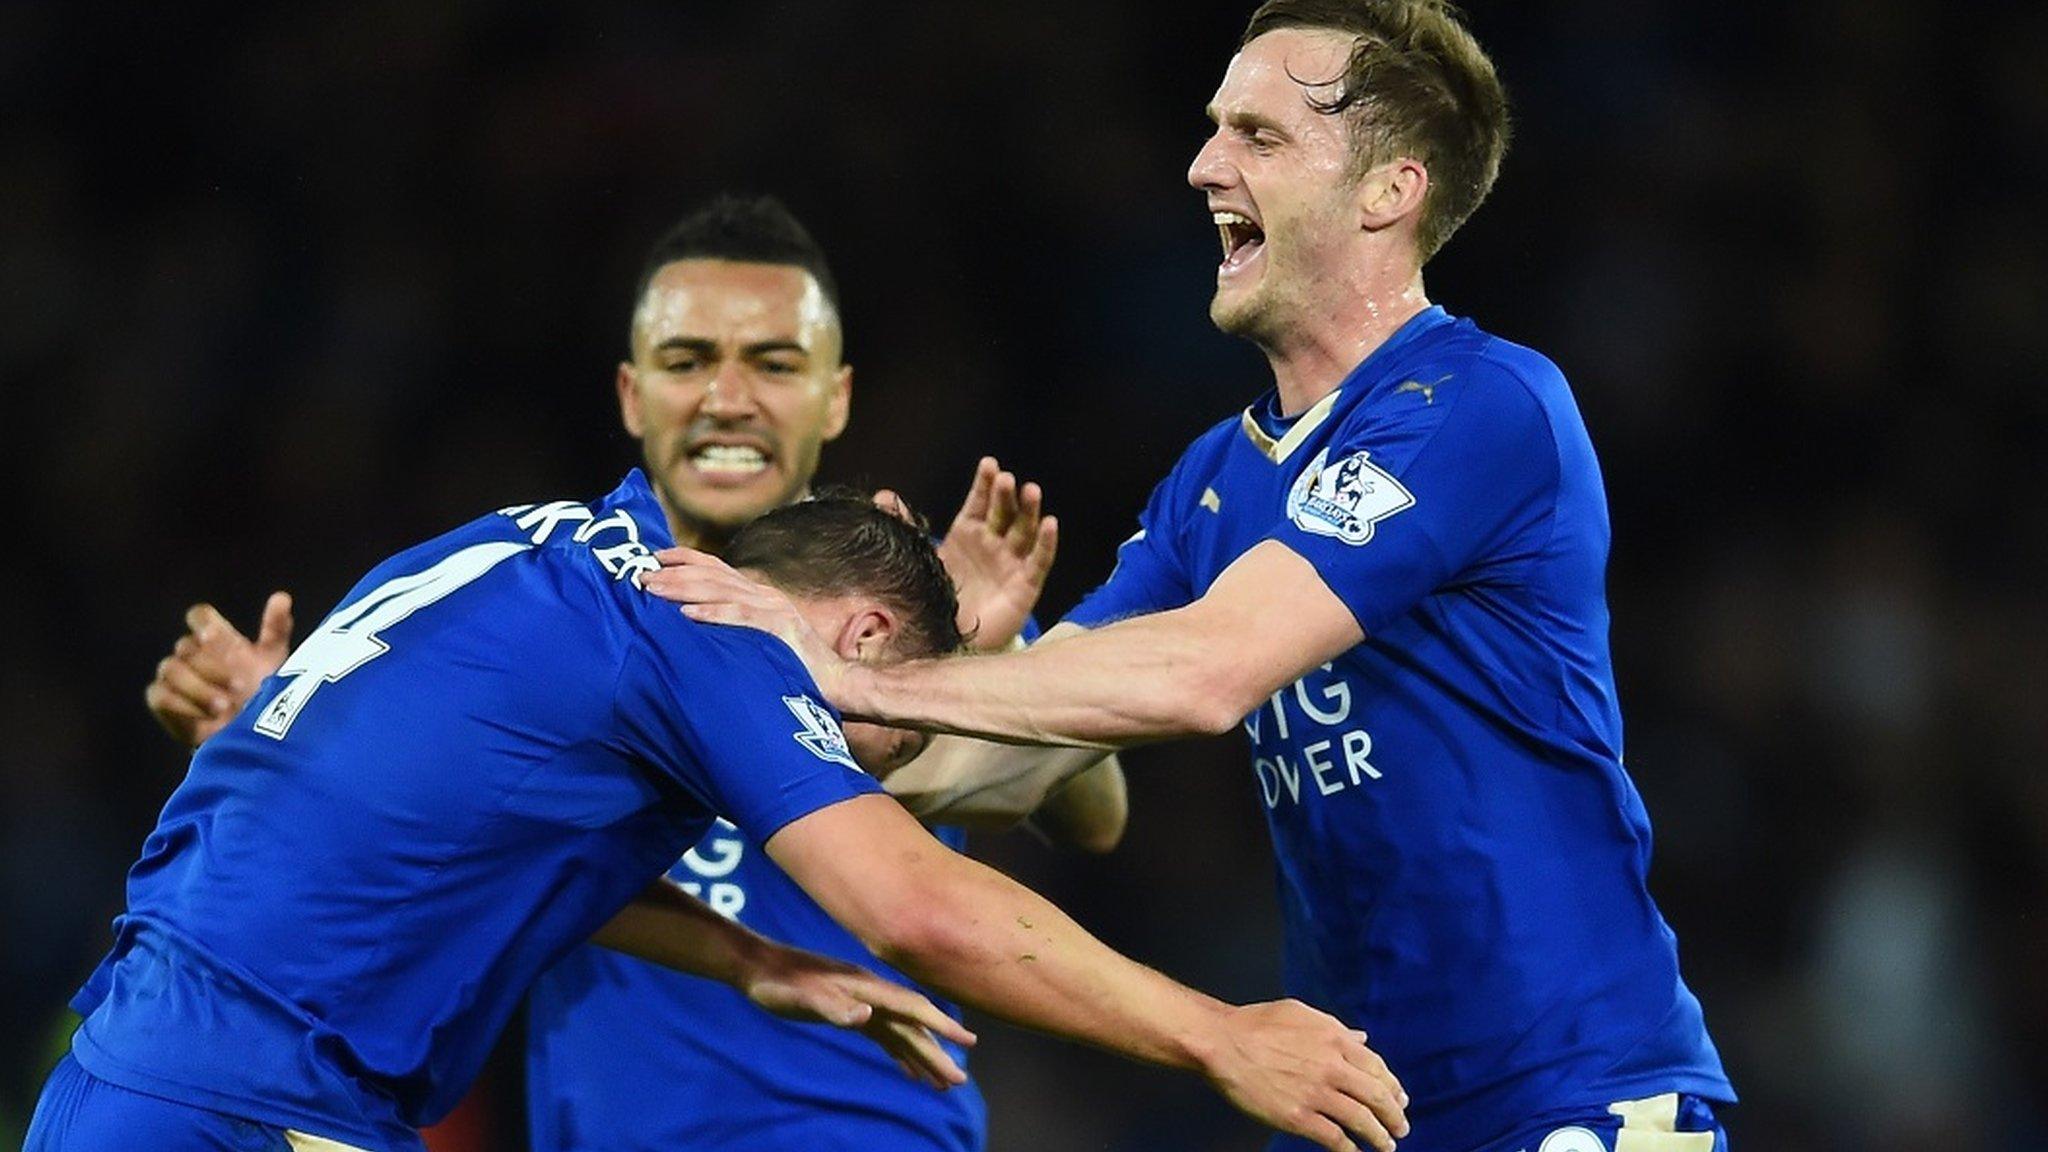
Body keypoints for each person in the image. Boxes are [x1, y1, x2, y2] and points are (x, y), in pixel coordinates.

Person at [649, 4, 1737, 1151]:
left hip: (1573, 1096)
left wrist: (859, 678)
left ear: (1387, 192)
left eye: (1258, 137)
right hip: (1354, 1108)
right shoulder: (1214, 480)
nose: (1202, 162)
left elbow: (1205, 673)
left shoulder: (1481, 405)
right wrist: (740, 745)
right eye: (1216, 129)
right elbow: (1020, 762)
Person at [138, 195, 1128, 1152]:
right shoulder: (547, 613)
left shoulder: (891, 607)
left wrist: (978, 664)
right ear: (630, 392)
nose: (726, 398)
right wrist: (282, 731)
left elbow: (1093, 812)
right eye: (687, 360)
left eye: (773, 364)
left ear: (835, 396)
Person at [29, 486, 1410, 1152]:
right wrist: (1218, 1031)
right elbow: (917, 906)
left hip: (127, 1071)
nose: (856, 777)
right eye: (881, 737)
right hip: (246, 1104)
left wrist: (756, 957)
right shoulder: (717, 643)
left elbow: (493, 848)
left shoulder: (521, 550)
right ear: (861, 631)